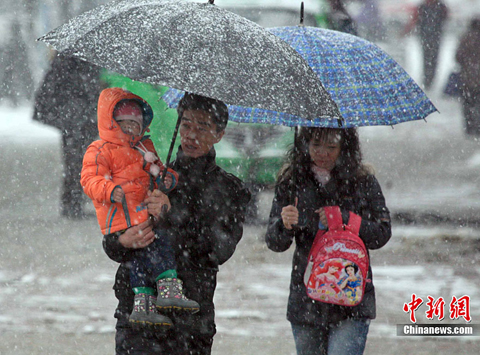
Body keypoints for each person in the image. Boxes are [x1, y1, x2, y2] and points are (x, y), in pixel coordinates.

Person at [102, 92, 251, 354]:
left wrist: (170, 216)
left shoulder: (229, 189)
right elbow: (114, 236)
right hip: (137, 314)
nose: (191, 135)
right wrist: (121, 240)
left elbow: (219, 248)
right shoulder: (149, 175)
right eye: (187, 125)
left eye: (202, 127)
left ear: (219, 134)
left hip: (189, 322)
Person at [265, 127, 391, 355]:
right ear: (305, 145)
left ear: (345, 148)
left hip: (352, 298)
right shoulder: (292, 180)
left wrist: (345, 219)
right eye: (315, 145)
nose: (322, 153)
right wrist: (284, 224)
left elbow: (381, 233)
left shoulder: (363, 181)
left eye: (331, 147)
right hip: (306, 298)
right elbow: (275, 243)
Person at [81, 87, 199, 329]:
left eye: (136, 124)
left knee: (140, 258)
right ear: (111, 123)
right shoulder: (101, 149)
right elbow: (89, 179)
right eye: (124, 123)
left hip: (141, 215)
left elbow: (158, 171)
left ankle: (143, 303)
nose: (131, 129)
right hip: (119, 219)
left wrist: (167, 179)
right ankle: (168, 285)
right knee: (156, 245)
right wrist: (108, 189)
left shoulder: (145, 148)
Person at [33, 52, 102, 219]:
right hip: (76, 117)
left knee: (77, 160)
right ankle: (72, 205)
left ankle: (72, 203)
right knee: (77, 160)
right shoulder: (74, 59)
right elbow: (76, 85)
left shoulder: (70, 57)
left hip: (76, 116)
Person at [404, 0, 449, 90]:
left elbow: (415, 19)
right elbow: (445, 18)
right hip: (430, 36)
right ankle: (428, 79)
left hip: (430, 36)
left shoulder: (426, 7)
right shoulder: (438, 6)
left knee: (430, 57)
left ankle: (429, 79)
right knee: (429, 57)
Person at [455, 17, 480, 136]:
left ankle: (470, 127)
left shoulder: (466, 38)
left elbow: (458, 56)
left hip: (467, 78)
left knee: (468, 102)